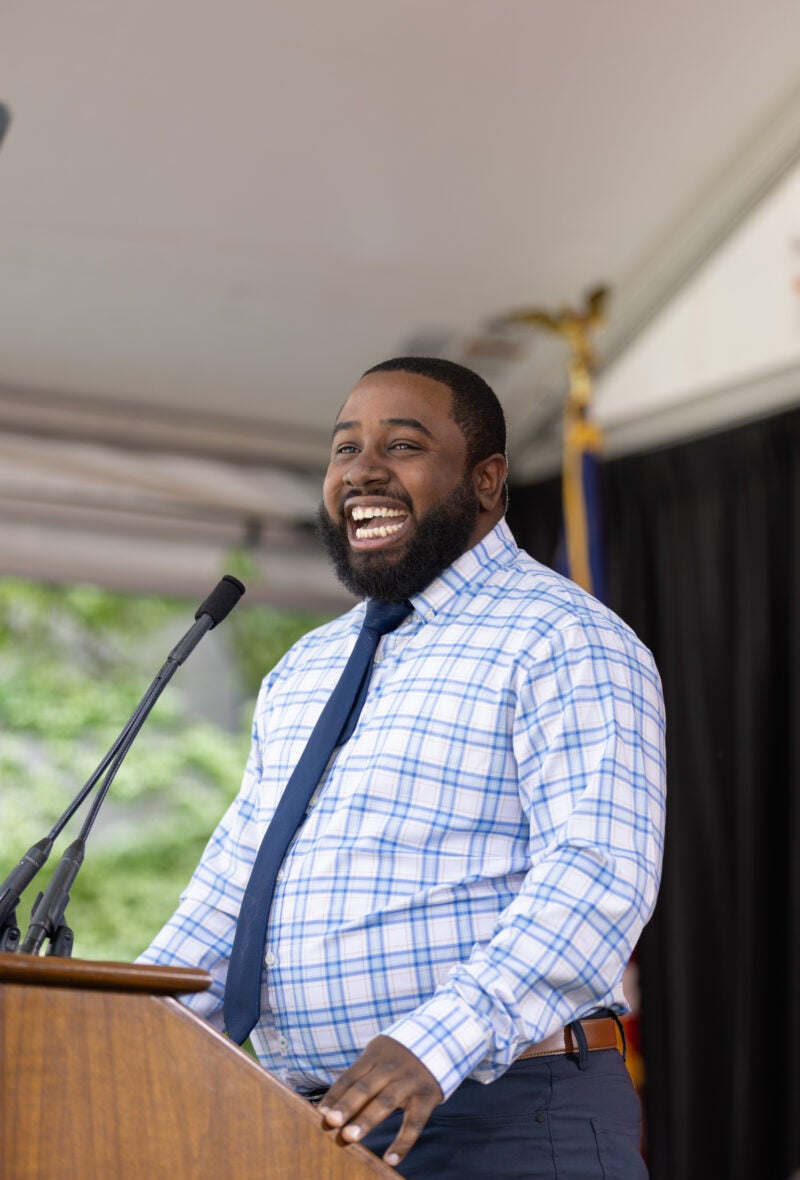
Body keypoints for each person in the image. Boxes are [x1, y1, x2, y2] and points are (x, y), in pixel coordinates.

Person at [139, 356, 666, 1179]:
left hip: (506, 1118)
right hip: (313, 1131)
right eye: (345, 448)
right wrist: (106, 1027)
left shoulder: (563, 638)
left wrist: (436, 1040)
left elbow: (597, 876)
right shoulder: (308, 667)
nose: (362, 472)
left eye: (404, 445)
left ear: (487, 481)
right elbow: (230, 900)